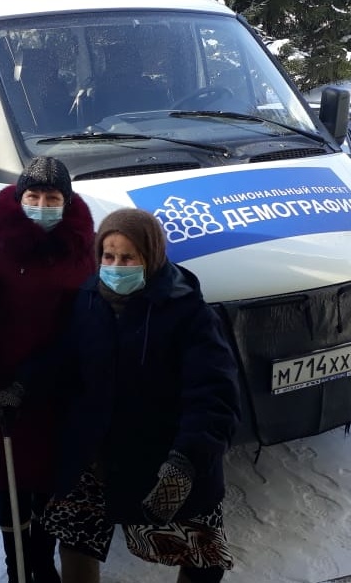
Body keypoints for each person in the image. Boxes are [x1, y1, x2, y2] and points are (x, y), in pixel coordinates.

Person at [41, 208, 242, 583]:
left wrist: (185, 461)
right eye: (109, 255)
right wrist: (19, 385)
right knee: (76, 540)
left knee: (201, 557)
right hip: (96, 451)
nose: (116, 266)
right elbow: (59, 360)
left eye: (128, 257)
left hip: (165, 455)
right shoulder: (87, 301)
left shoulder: (188, 313)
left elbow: (215, 396)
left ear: (150, 257)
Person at [0, 156, 96, 583]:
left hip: (61, 395)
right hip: (7, 393)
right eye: (33, 196)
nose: (42, 204)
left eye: (52, 197)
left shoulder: (83, 247)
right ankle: (19, 567)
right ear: (19, 198)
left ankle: (43, 563)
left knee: (52, 488)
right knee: (14, 489)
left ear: (66, 200)